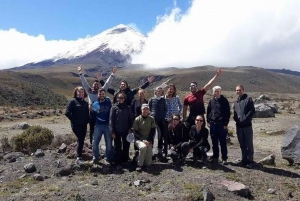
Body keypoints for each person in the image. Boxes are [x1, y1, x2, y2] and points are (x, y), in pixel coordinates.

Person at [77, 65, 117, 147]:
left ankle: (108, 146)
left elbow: (107, 84)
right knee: (92, 130)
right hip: (93, 114)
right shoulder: (89, 91)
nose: (95, 86)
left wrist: (112, 74)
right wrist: (80, 73)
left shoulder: (101, 91)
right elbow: (84, 83)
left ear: (99, 86)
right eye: (94, 84)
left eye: (97, 85)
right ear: (92, 85)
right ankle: (93, 145)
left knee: (105, 130)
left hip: (103, 114)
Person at [65, 86, 90, 164]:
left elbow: (87, 114)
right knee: (81, 139)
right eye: (79, 92)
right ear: (76, 93)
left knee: (81, 140)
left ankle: (79, 156)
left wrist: (88, 120)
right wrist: (74, 121)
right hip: (76, 125)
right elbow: (67, 113)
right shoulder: (73, 101)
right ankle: (78, 157)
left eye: (82, 92)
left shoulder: (85, 103)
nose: (81, 93)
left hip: (84, 125)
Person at [206, 86, 231, 165]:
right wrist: (208, 121)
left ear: (220, 92)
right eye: (215, 91)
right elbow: (208, 111)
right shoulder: (211, 100)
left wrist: (226, 123)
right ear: (213, 92)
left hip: (222, 125)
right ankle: (215, 157)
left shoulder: (224, 100)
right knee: (214, 143)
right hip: (213, 124)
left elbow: (228, 113)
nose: (216, 92)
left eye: (217, 91)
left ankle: (224, 158)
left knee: (223, 142)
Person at [233, 85, 255, 168]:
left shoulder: (248, 99)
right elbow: (235, 113)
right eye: (237, 90)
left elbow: (252, 111)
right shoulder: (236, 102)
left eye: (240, 90)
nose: (238, 92)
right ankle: (244, 159)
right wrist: (235, 119)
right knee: (242, 143)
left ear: (243, 90)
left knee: (248, 143)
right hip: (239, 126)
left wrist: (245, 119)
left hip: (247, 126)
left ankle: (250, 161)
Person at [109, 92, 133, 170]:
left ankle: (125, 161)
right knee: (117, 147)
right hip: (117, 131)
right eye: (119, 98)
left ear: (124, 98)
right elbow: (111, 120)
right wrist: (112, 132)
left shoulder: (128, 107)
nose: (120, 99)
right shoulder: (114, 108)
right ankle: (117, 163)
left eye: (122, 98)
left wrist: (131, 128)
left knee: (126, 146)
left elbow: (130, 119)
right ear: (117, 98)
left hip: (126, 130)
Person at [90, 88, 113, 164]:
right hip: (98, 125)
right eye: (100, 94)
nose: (101, 95)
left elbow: (111, 111)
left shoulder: (108, 102)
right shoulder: (95, 103)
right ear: (98, 95)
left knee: (108, 142)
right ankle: (95, 157)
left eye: (103, 94)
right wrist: (91, 111)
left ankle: (107, 158)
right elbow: (93, 116)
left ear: (105, 94)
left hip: (107, 125)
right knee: (95, 142)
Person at [132, 104, 156, 171]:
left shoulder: (152, 119)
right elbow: (135, 132)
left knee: (148, 163)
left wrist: (149, 140)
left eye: (147, 109)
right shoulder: (137, 119)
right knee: (143, 147)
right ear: (141, 110)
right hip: (139, 140)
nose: (145, 111)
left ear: (149, 110)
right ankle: (139, 165)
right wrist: (143, 140)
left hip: (148, 141)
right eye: (144, 109)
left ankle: (137, 157)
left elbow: (153, 131)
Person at [148, 86, 168, 159]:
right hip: (153, 121)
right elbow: (149, 109)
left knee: (160, 136)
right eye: (157, 90)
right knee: (152, 136)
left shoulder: (163, 100)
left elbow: (166, 109)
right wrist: (151, 116)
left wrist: (163, 116)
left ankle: (160, 151)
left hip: (161, 121)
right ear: (155, 91)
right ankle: (151, 152)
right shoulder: (152, 99)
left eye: (160, 91)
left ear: (162, 92)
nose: (159, 92)